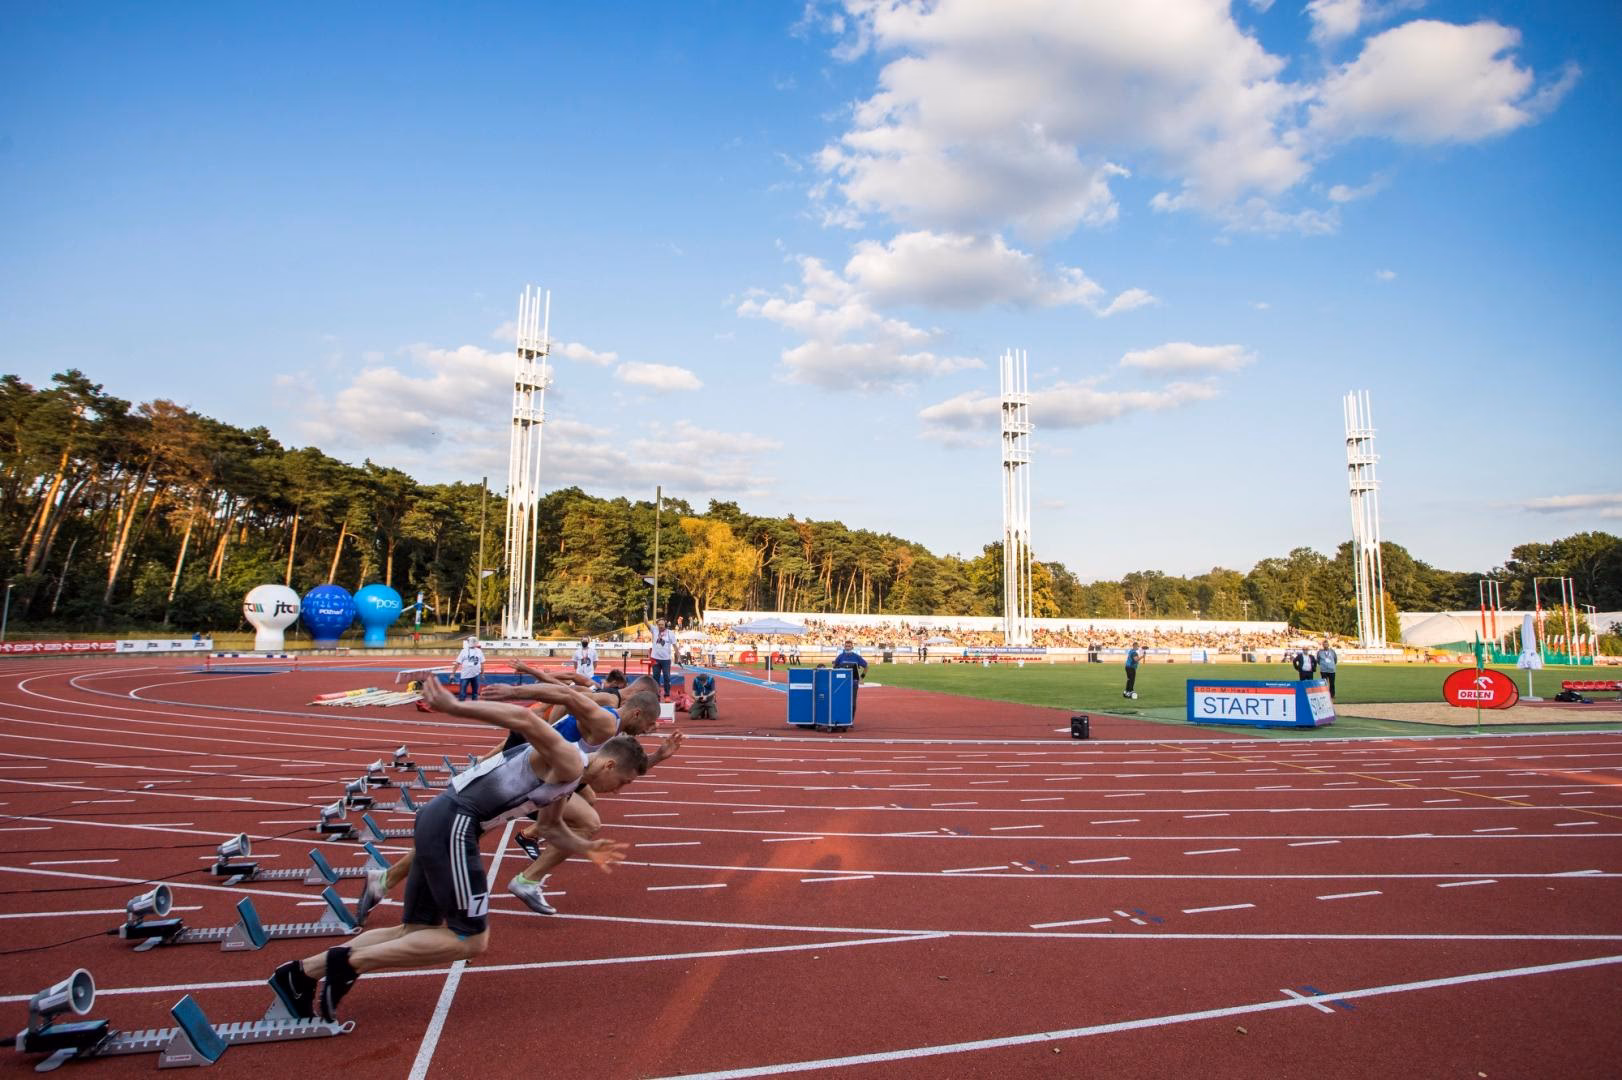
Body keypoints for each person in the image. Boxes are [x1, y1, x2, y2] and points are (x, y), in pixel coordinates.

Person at [269, 677, 643, 1021]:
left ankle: (299, 974)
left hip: (442, 818)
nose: (619, 791)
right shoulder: (567, 760)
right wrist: (454, 707)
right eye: (622, 782)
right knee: (470, 939)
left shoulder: (568, 781)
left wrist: (586, 847)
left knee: (414, 930)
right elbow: (524, 721)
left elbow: (549, 828)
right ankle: (348, 963)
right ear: (609, 764)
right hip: (456, 823)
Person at [831, 639, 869, 717]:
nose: (847, 647)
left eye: (849, 646)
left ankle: (850, 720)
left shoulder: (857, 657)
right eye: (846, 646)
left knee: (852, 703)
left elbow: (866, 666)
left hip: (853, 683)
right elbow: (834, 667)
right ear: (844, 647)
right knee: (841, 701)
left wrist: (862, 677)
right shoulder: (840, 657)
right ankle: (842, 718)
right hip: (841, 683)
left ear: (852, 647)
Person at [645, 617, 676, 698]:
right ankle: (656, 694)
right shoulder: (654, 630)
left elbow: (675, 645)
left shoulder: (670, 633)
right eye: (659, 625)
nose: (660, 626)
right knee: (655, 677)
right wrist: (645, 612)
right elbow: (646, 622)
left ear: (665, 624)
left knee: (667, 677)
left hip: (666, 659)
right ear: (657, 625)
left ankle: (667, 695)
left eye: (662, 624)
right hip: (655, 658)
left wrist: (678, 656)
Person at [454, 636, 484, 701]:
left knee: (475, 693)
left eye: (474, 641)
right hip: (465, 675)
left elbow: (482, 663)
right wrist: (452, 674)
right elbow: (457, 663)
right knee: (462, 692)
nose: (473, 643)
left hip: (476, 674)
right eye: (472, 641)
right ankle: (461, 706)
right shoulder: (464, 651)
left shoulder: (479, 651)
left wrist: (482, 674)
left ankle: (474, 706)